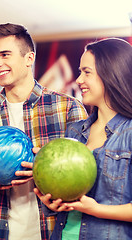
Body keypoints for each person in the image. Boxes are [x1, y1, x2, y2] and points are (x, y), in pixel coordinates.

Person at [0, 23, 88, 240]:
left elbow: (86, 183)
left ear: (29, 58)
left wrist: (47, 169)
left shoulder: (68, 108)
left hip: (53, 231)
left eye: (5, 55)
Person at [35, 38, 132, 239]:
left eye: (86, 72)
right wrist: (52, 201)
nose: (79, 80)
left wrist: (95, 209)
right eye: (80, 72)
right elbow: (67, 199)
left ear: (112, 73)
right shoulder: (75, 131)